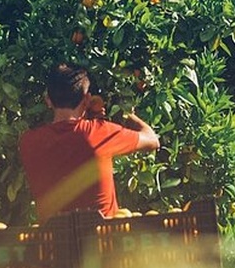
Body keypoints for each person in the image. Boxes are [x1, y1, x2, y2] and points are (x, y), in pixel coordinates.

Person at [19, 63, 160, 221]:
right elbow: (152, 140)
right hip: (103, 234)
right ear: (86, 99)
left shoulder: (28, 142)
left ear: (48, 100)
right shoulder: (100, 132)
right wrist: (126, 113)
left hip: (54, 235)